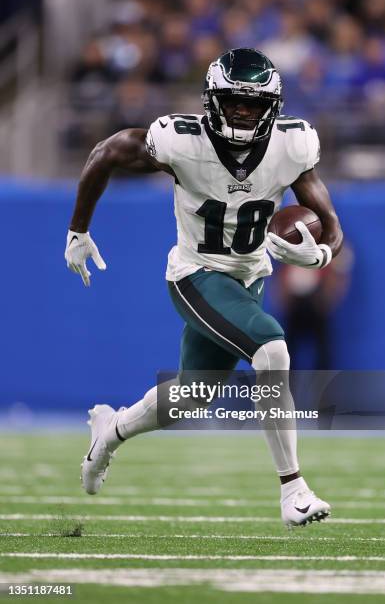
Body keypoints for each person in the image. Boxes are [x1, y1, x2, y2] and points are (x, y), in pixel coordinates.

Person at [64, 48, 343, 528]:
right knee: (272, 347)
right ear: (213, 100)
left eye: (253, 105)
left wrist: (320, 254)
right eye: (234, 101)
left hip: (248, 277)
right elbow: (105, 152)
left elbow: (332, 226)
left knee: (192, 395)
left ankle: (110, 431)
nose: (242, 111)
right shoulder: (181, 141)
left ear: (271, 108)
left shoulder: (292, 146)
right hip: (195, 274)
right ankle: (293, 489)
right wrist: (78, 231)